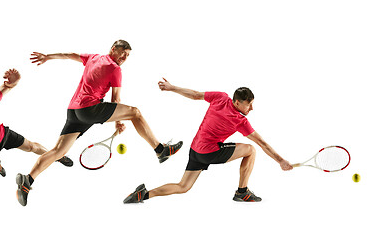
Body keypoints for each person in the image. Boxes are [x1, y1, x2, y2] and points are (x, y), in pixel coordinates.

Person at [16, 40, 182, 206]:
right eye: (123, 52)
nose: (125, 57)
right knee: (135, 113)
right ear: (113, 49)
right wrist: (118, 122)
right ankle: (160, 150)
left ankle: (27, 181)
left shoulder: (93, 57)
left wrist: (48, 57)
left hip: (73, 111)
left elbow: (69, 55)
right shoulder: (115, 69)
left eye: (128, 55)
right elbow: (115, 100)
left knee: (58, 151)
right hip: (89, 110)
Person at [123, 78, 293, 203]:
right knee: (251, 150)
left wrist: (171, 87)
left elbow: (196, 95)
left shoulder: (220, 97)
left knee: (183, 186)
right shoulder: (240, 121)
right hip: (209, 152)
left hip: (195, 150)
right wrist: (281, 161)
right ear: (237, 102)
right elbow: (262, 143)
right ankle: (242, 191)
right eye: (248, 105)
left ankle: (143, 194)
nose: (251, 108)